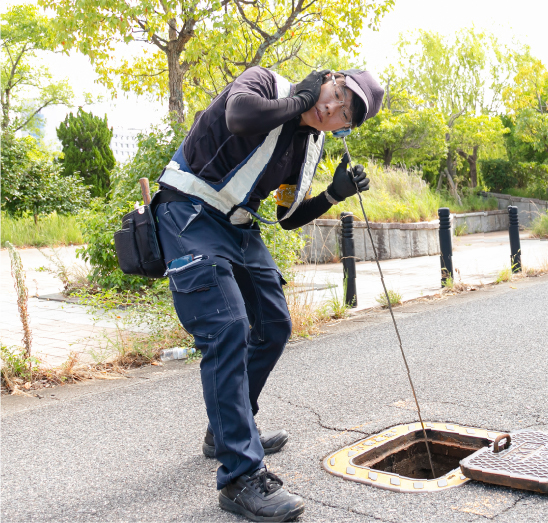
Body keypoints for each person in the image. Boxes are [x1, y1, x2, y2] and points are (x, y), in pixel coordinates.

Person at [154, 67, 383, 521]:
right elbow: (239, 116)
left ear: (346, 130)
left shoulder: (311, 144)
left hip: (238, 227)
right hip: (190, 212)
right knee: (227, 326)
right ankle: (240, 476)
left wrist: (333, 195)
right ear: (328, 79)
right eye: (337, 94)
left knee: (274, 324)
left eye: (346, 115)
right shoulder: (265, 85)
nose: (332, 108)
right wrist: (300, 100)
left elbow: (286, 216)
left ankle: (227, 433)